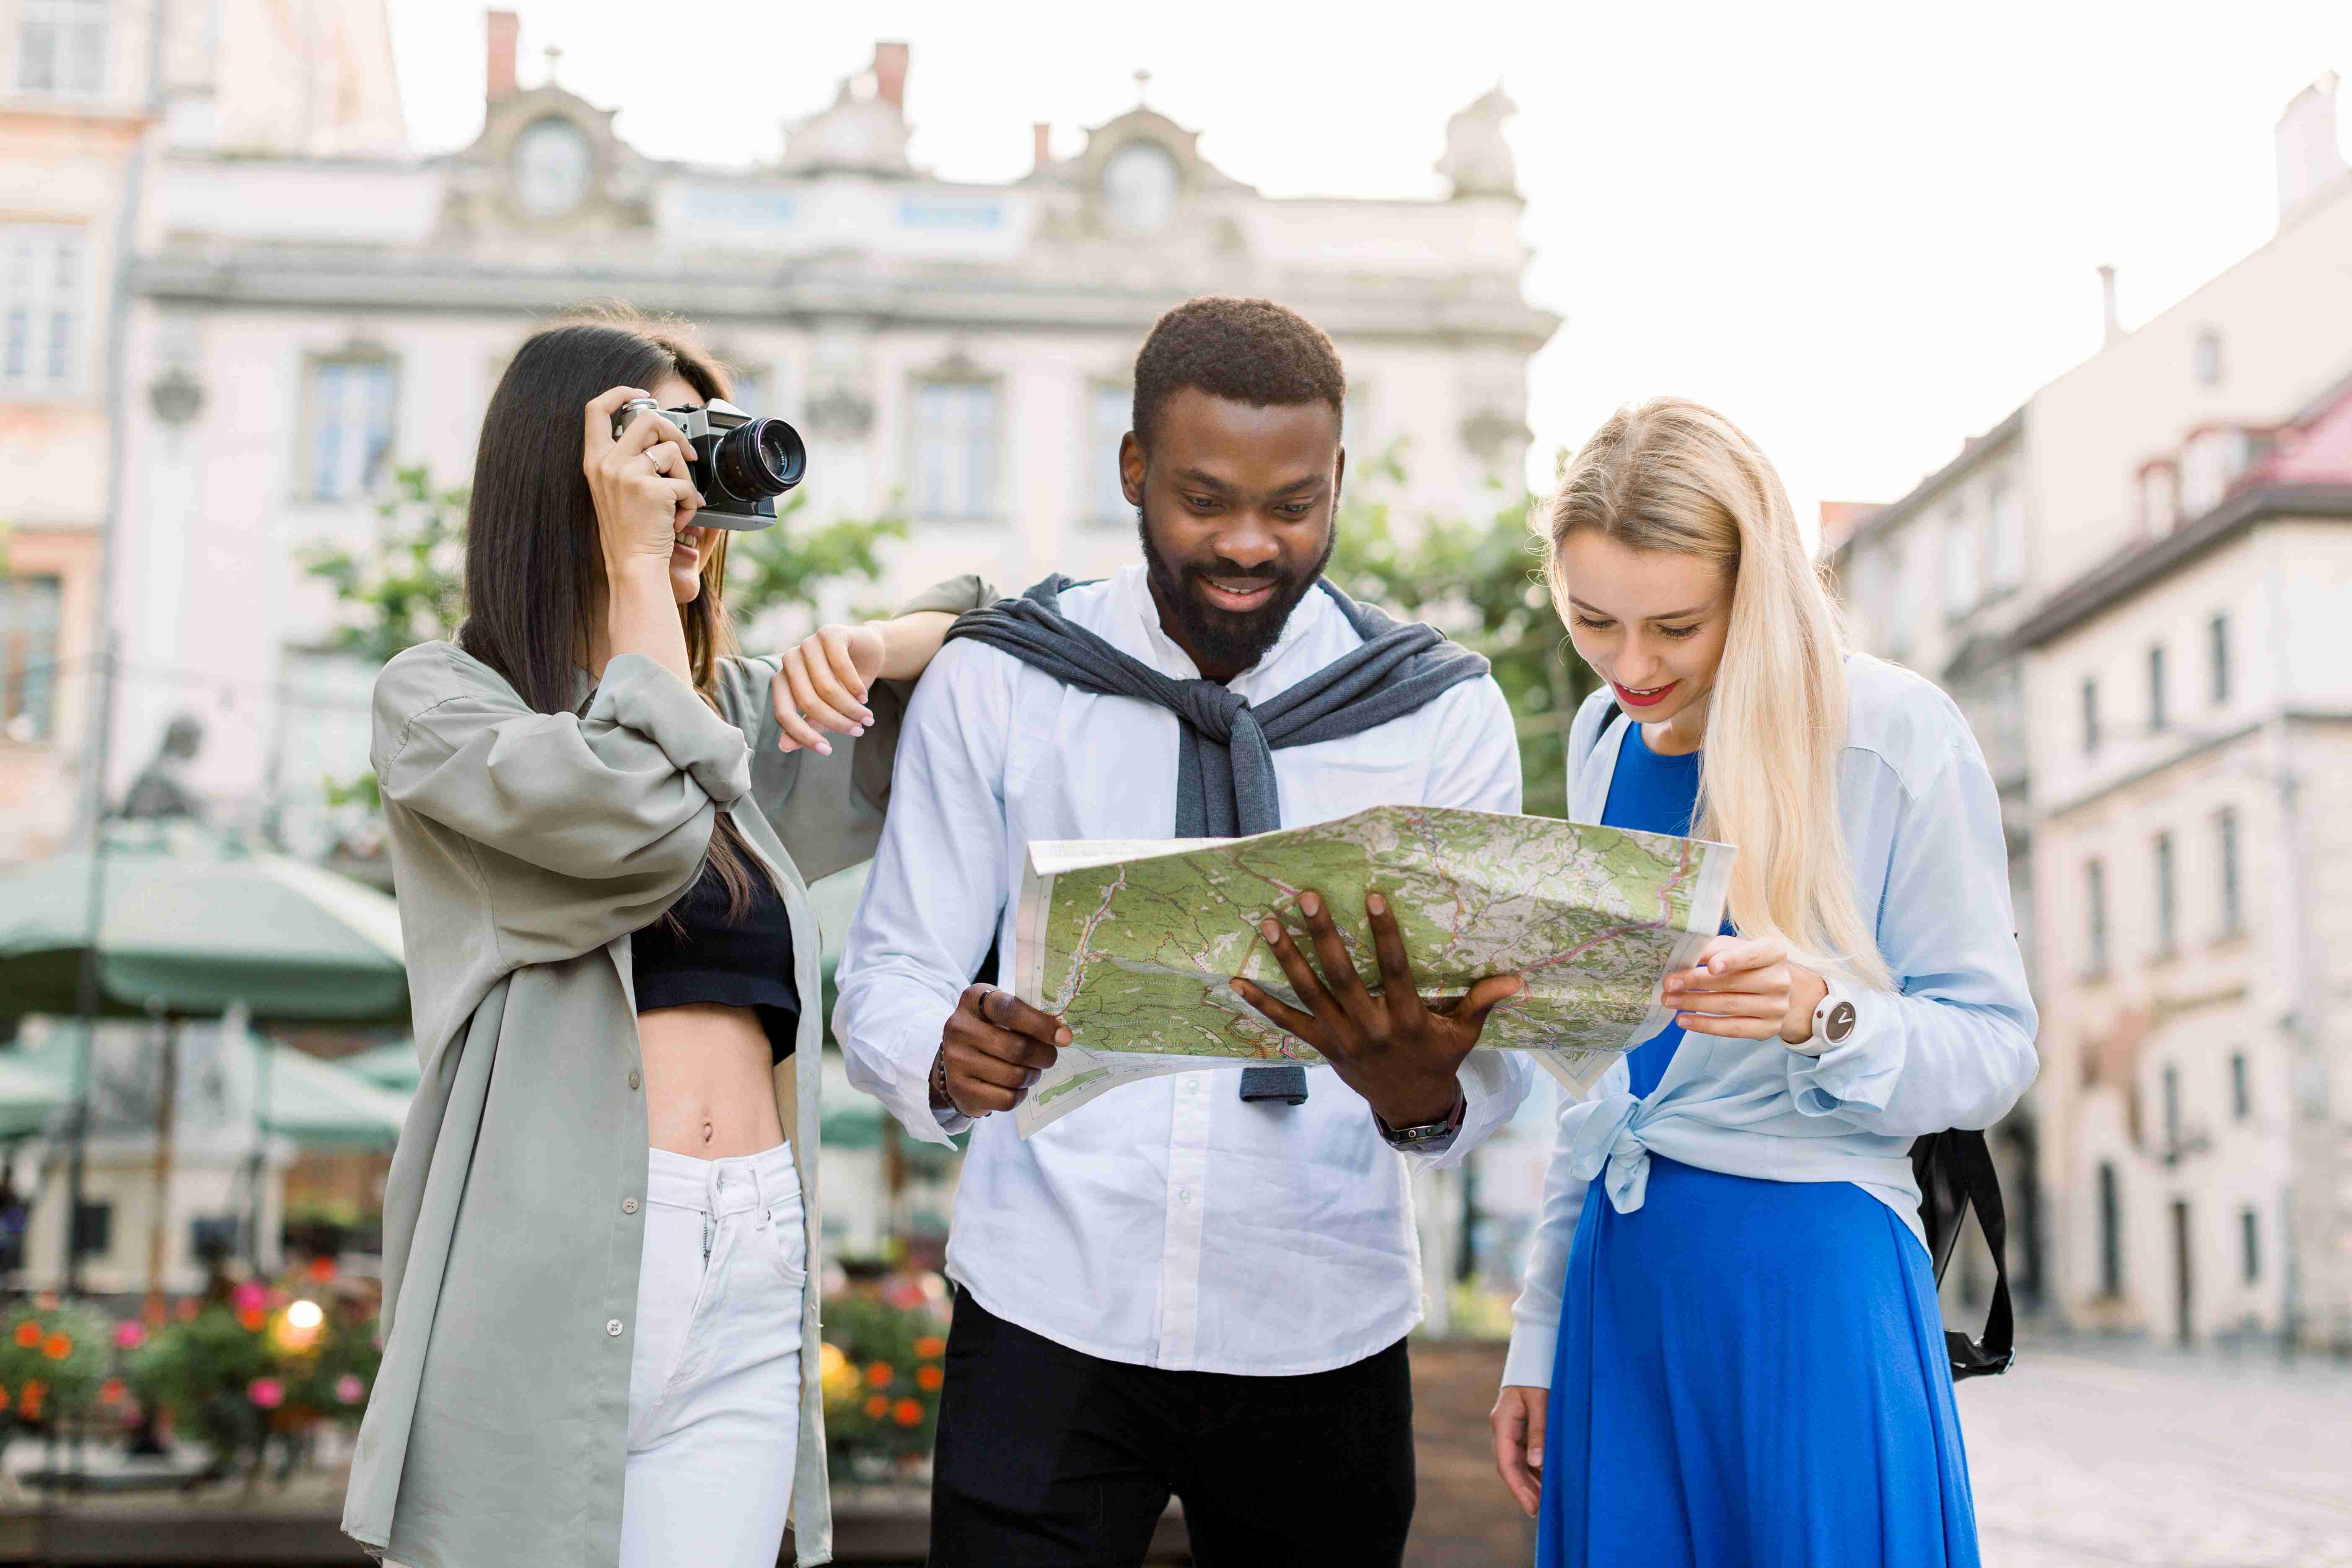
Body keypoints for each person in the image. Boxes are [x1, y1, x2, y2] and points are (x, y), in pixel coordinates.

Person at [832, 295, 1535, 1568]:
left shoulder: (1439, 714)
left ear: (1337, 483)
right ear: (1134, 470)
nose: (1250, 544)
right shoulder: (1003, 678)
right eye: (1205, 501)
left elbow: (1498, 1061)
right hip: (1047, 1297)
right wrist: (942, 1051)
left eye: (1294, 505)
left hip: (1321, 1312)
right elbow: (887, 970)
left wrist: (1423, 1094)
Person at [340, 311, 990, 1568]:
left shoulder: (734, 720)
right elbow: (640, 823)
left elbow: (1014, 646)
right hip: (541, 1276)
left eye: (703, 458)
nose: (688, 495)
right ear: (563, 473)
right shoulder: (438, 703)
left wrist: (876, 644)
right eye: (654, 455)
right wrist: (639, 570)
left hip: (751, 1265)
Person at [1482, 399, 2036, 1567]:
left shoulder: (1889, 731)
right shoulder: (1599, 736)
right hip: (1623, 1287)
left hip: (1810, 1283)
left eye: (1675, 626)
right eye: (1592, 620)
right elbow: (1602, 1084)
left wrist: (1823, 1015)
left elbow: (1992, 1051)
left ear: (1759, 588)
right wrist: (1537, 1333)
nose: (1631, 666)